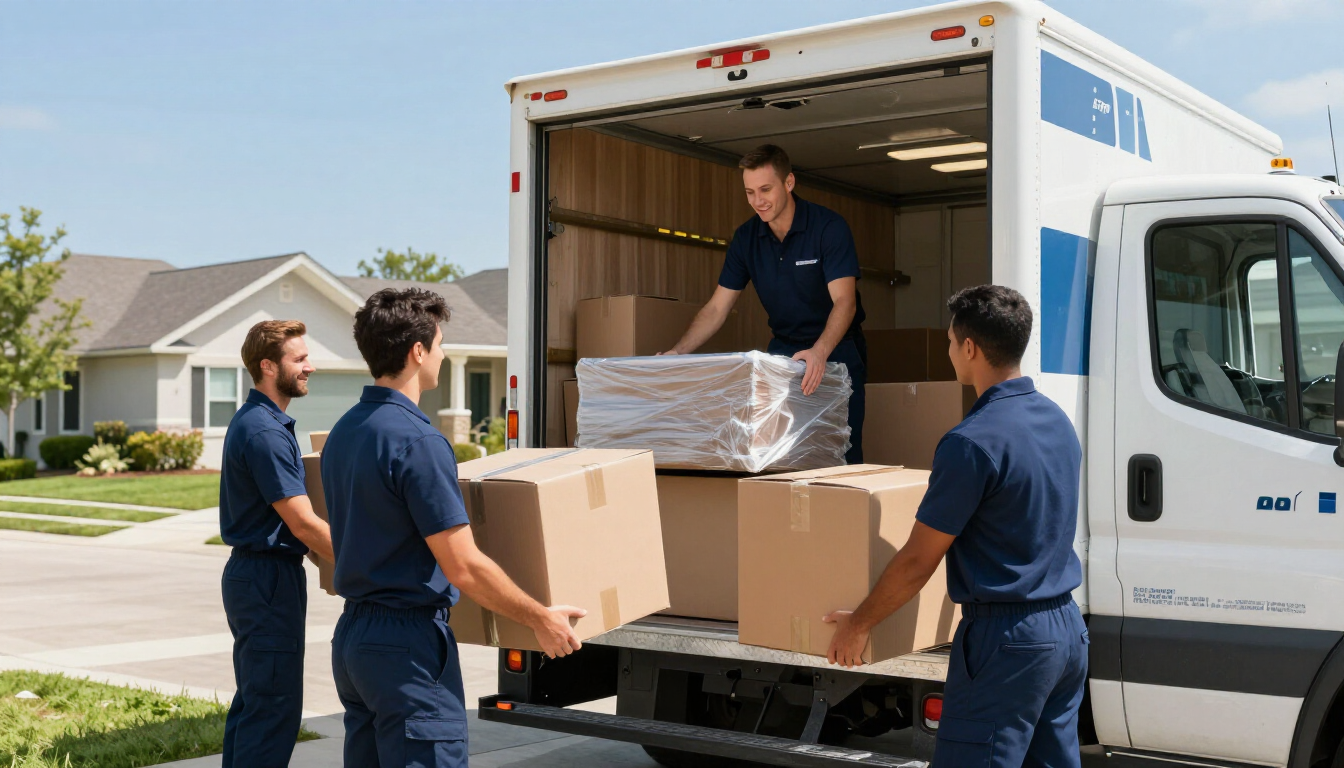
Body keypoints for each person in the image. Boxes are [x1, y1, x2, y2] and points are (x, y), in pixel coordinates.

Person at [823, 285, 1087, 768]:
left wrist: (858, 624)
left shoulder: (972, 442)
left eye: (949, 342)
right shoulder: (1057, 421)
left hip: (1007, 640)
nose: (948, 351)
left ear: (969, 348)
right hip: (1065, 630)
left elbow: (920, 558)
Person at [324, 287, 586, 768]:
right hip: (405, 648)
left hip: (354, 641)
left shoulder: (344, 431)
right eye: (440, 344)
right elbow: (463, 565)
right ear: (417, 351)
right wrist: (539, 618)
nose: (443, 355)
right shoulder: (419, 441)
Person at [661, 143, 868, 463]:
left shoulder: (828, 227)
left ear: (789, 183)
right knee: (776, 452)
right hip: (784, 351)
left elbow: (845, 302)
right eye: (749, 192)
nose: (758, 201)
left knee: (839, 450)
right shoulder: (746, 239)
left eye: (765, 189)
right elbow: (717, 308)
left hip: (835, 350)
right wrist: (677, 352)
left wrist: (819, 351)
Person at [219, 320, 334, 768]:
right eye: (299, 359)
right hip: (266, 580)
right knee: (271, 709)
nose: (310, 366)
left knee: (258, 703)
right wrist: (366, 565)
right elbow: (303, 524)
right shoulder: (265, 432)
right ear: (268, 366)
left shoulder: (260, 422)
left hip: (260, 577)